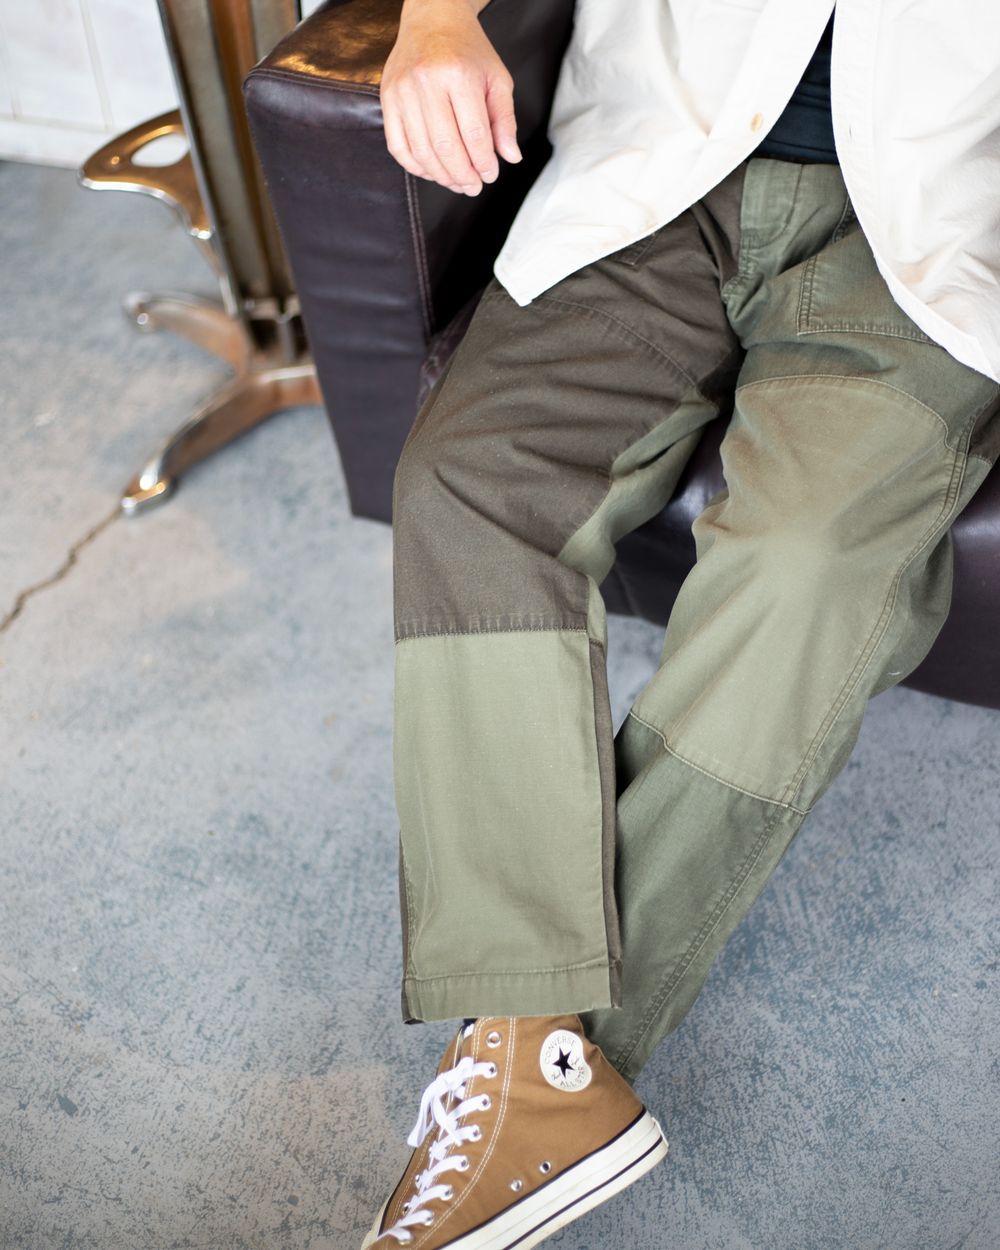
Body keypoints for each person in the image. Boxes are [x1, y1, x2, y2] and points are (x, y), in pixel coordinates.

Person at [360, 1, 1000, 1246]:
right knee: (467, 483)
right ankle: (539, 1067)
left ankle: (536, 1057)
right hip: (656, 169)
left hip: (933, 218)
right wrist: (432, 16)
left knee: (804, 563)